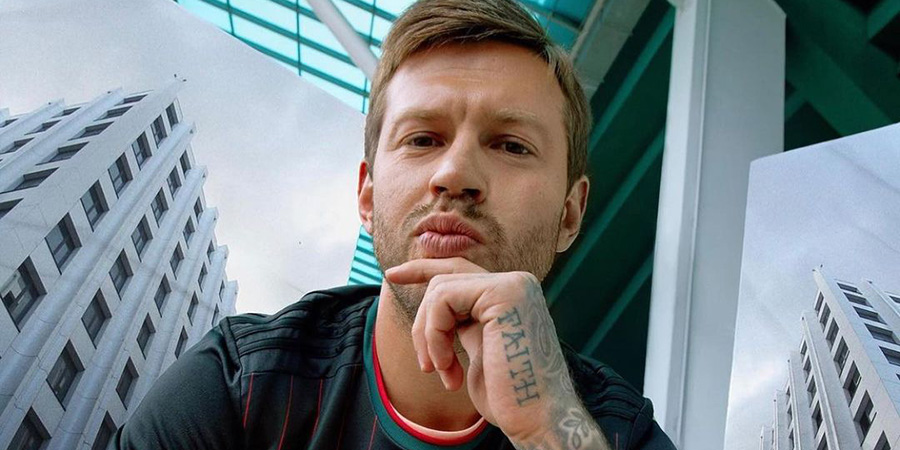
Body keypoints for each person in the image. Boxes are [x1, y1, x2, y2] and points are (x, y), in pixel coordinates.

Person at [111, 0, 677, 448]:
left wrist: (548, 428)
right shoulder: (240, 385)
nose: (455, 174)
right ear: (367, 195)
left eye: (511, 145)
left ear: (570, 214)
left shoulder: (612, 429)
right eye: (423, 139)